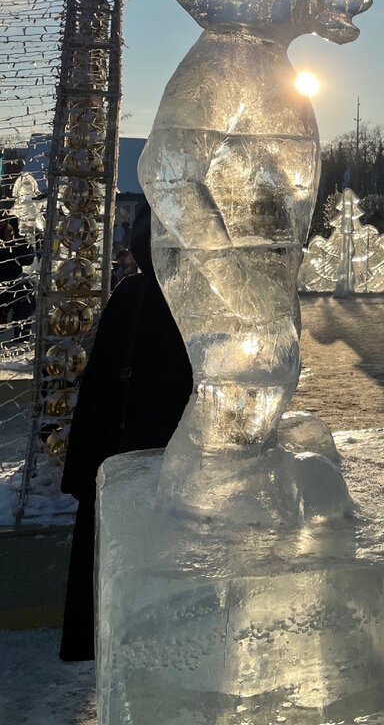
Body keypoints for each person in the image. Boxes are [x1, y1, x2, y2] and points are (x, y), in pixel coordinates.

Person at [59, 204, 193, 661]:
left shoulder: (131, 296)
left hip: (125, 462)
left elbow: (97, 391)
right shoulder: (199, 302)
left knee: (132, 609)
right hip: (177, 473)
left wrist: (82, 472)